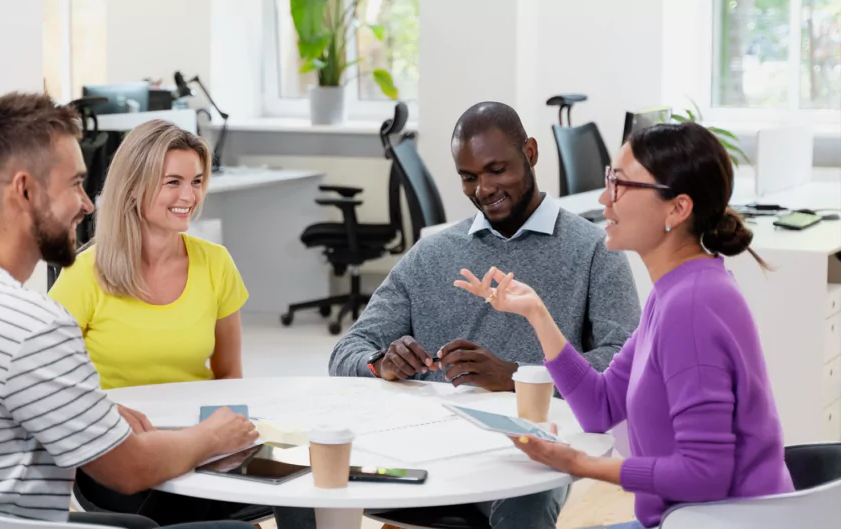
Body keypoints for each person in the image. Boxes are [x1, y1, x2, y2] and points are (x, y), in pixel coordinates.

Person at [0, 92, 259, 529]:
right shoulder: (34, 327)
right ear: (25, 190)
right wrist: (213, 437)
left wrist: (92, 409)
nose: (88, 205)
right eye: (75, 184)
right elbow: (126, 471)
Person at [455, 122, 795, 529]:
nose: (604, 199)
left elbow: (706, 475)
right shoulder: (676, 290)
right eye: (608, 180)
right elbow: (599, 408)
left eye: (620, 185)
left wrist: (580, 464)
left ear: (677, 208)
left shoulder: (691, 307)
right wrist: (537, 315)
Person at [328, 101, 641, 529]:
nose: (483, 188)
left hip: (529, 450)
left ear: (530, 153)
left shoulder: (593, 252)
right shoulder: (432, 254)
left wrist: (516, 377)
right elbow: (347, 351)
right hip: (428, 445)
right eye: (468, 177)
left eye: (497, 170)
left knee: (525, 504)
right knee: (315, 475)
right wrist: (380, 363)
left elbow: (623, 364)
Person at [48, 120, 312, 529]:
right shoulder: (85, 273)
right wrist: (102, 408)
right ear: (134, 185)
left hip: (201, 438)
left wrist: (225, 439)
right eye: (172, 181)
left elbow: (228, 376)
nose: (188, 196)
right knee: (210, 507)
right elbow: (45, 380)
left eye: (197, 181)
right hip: (118, 450)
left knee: (300, 478)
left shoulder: (215, 263)